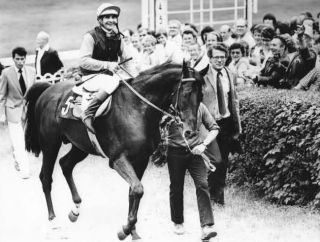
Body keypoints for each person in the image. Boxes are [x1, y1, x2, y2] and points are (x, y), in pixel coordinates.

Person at [79, 3, 136, 134]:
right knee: (113, 82)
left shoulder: (118, 37)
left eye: (113, 17)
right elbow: (83, 61)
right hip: (91, 77)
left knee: (130, 83)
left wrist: (135, 78)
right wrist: (107, 65)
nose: (111, 20)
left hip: (109, 77)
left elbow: (128, 60)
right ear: (100, 20)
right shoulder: (90, 36)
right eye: (107, 17)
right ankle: (88, 113)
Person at [166, 102, 219, 241]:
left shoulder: (200, 107)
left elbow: (214, 128)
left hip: (196, 152)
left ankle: (207, 227)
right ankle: (178, 222)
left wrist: (204, 145)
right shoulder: (171, 107)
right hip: (174, 152)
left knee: (203, 184)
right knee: (176, 186)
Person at [203, 43, 241, 205]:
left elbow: (233, 100)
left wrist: (237, 125)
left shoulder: (229, 74)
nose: (219, 60)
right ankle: (211, 196)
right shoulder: (202, 75)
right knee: (215, 161)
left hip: (225, 123)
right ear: (210, 59)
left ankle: (218, 198)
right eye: (216, 57)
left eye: (222, 57)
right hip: (209, 125)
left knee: (223, 162)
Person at [0, 47, 36, 179]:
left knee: (26, 140)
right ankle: (25, 170)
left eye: (23, 59)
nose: (20, 61)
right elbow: (2, 95)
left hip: (27, 111)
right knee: (19, 141)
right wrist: (2, 114)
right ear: (13, 59)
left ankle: (17, 156)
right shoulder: (6, 73)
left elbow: (34, 92)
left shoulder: (32, 71)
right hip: (12, 110)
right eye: (18, 59)